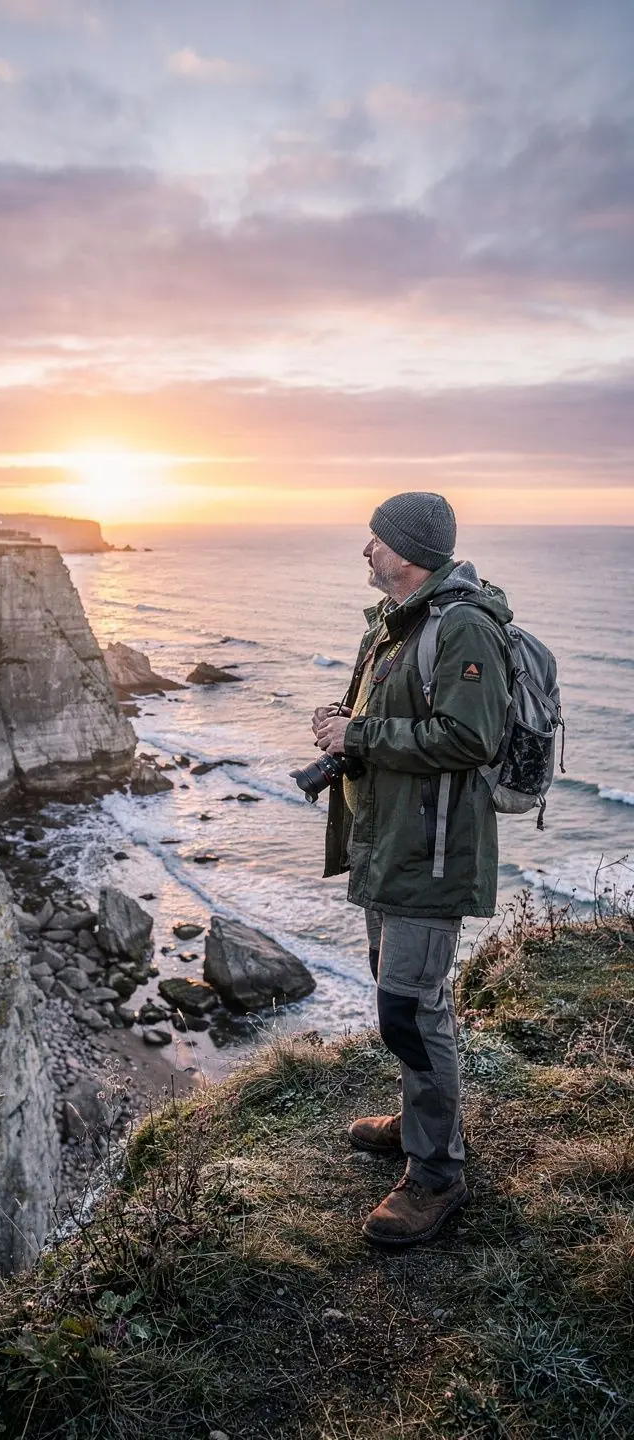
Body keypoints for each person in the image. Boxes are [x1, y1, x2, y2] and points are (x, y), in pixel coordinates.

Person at [312, 491, 513, 1247]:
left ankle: (436, 1176)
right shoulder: (396, 624)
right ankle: (420, 1123)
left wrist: (360, 734)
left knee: (410, 1009)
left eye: (377, 539)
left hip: (431, 855)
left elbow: (470, 736)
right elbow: (389, 721)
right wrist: (342, 726)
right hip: (387, 843)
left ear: (410, 551)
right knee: (403, 999)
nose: (366, 549)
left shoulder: (463, 626)